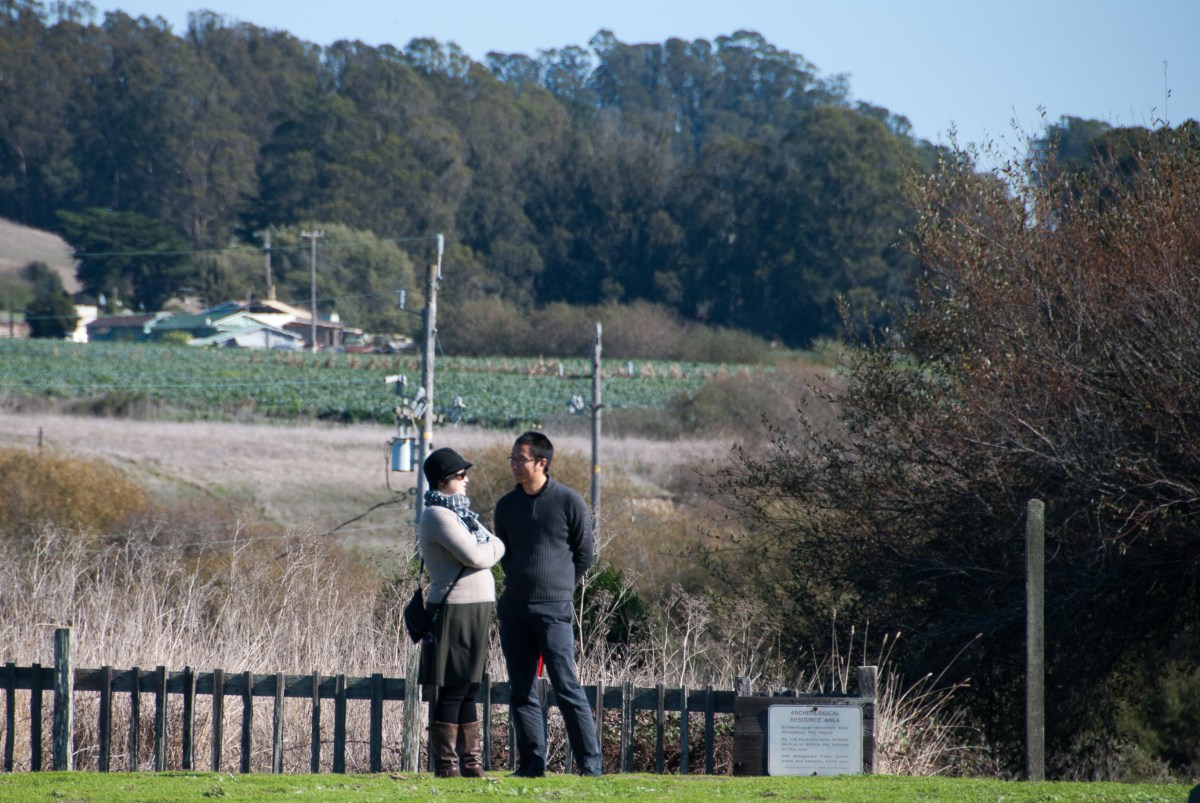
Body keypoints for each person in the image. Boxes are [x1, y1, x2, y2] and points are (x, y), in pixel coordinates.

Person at [494, 431, 602, 777]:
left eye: (519, 459)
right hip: (514, 607)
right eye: (511, 459)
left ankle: (590, 764)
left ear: (542, 463)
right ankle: (531, 764)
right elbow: (504, 555)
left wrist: (559, 588)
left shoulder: (569, 502)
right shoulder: (505, 506)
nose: (513, 465)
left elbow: (584, 554)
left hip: (554, 608)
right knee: (521, 688)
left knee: (566, 685)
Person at [418, 447, 506, 778]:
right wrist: (497, 546)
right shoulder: (437, 516)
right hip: (454, 609)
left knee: (470, 685)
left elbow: (486, 547)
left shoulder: (462, 515)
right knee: (453, 686)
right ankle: (447, 766)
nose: (466, 480)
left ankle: (471, 764)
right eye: (459, 476)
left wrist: (492, 546)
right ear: (443, 481)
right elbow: (478, 555)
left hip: (475, 608)